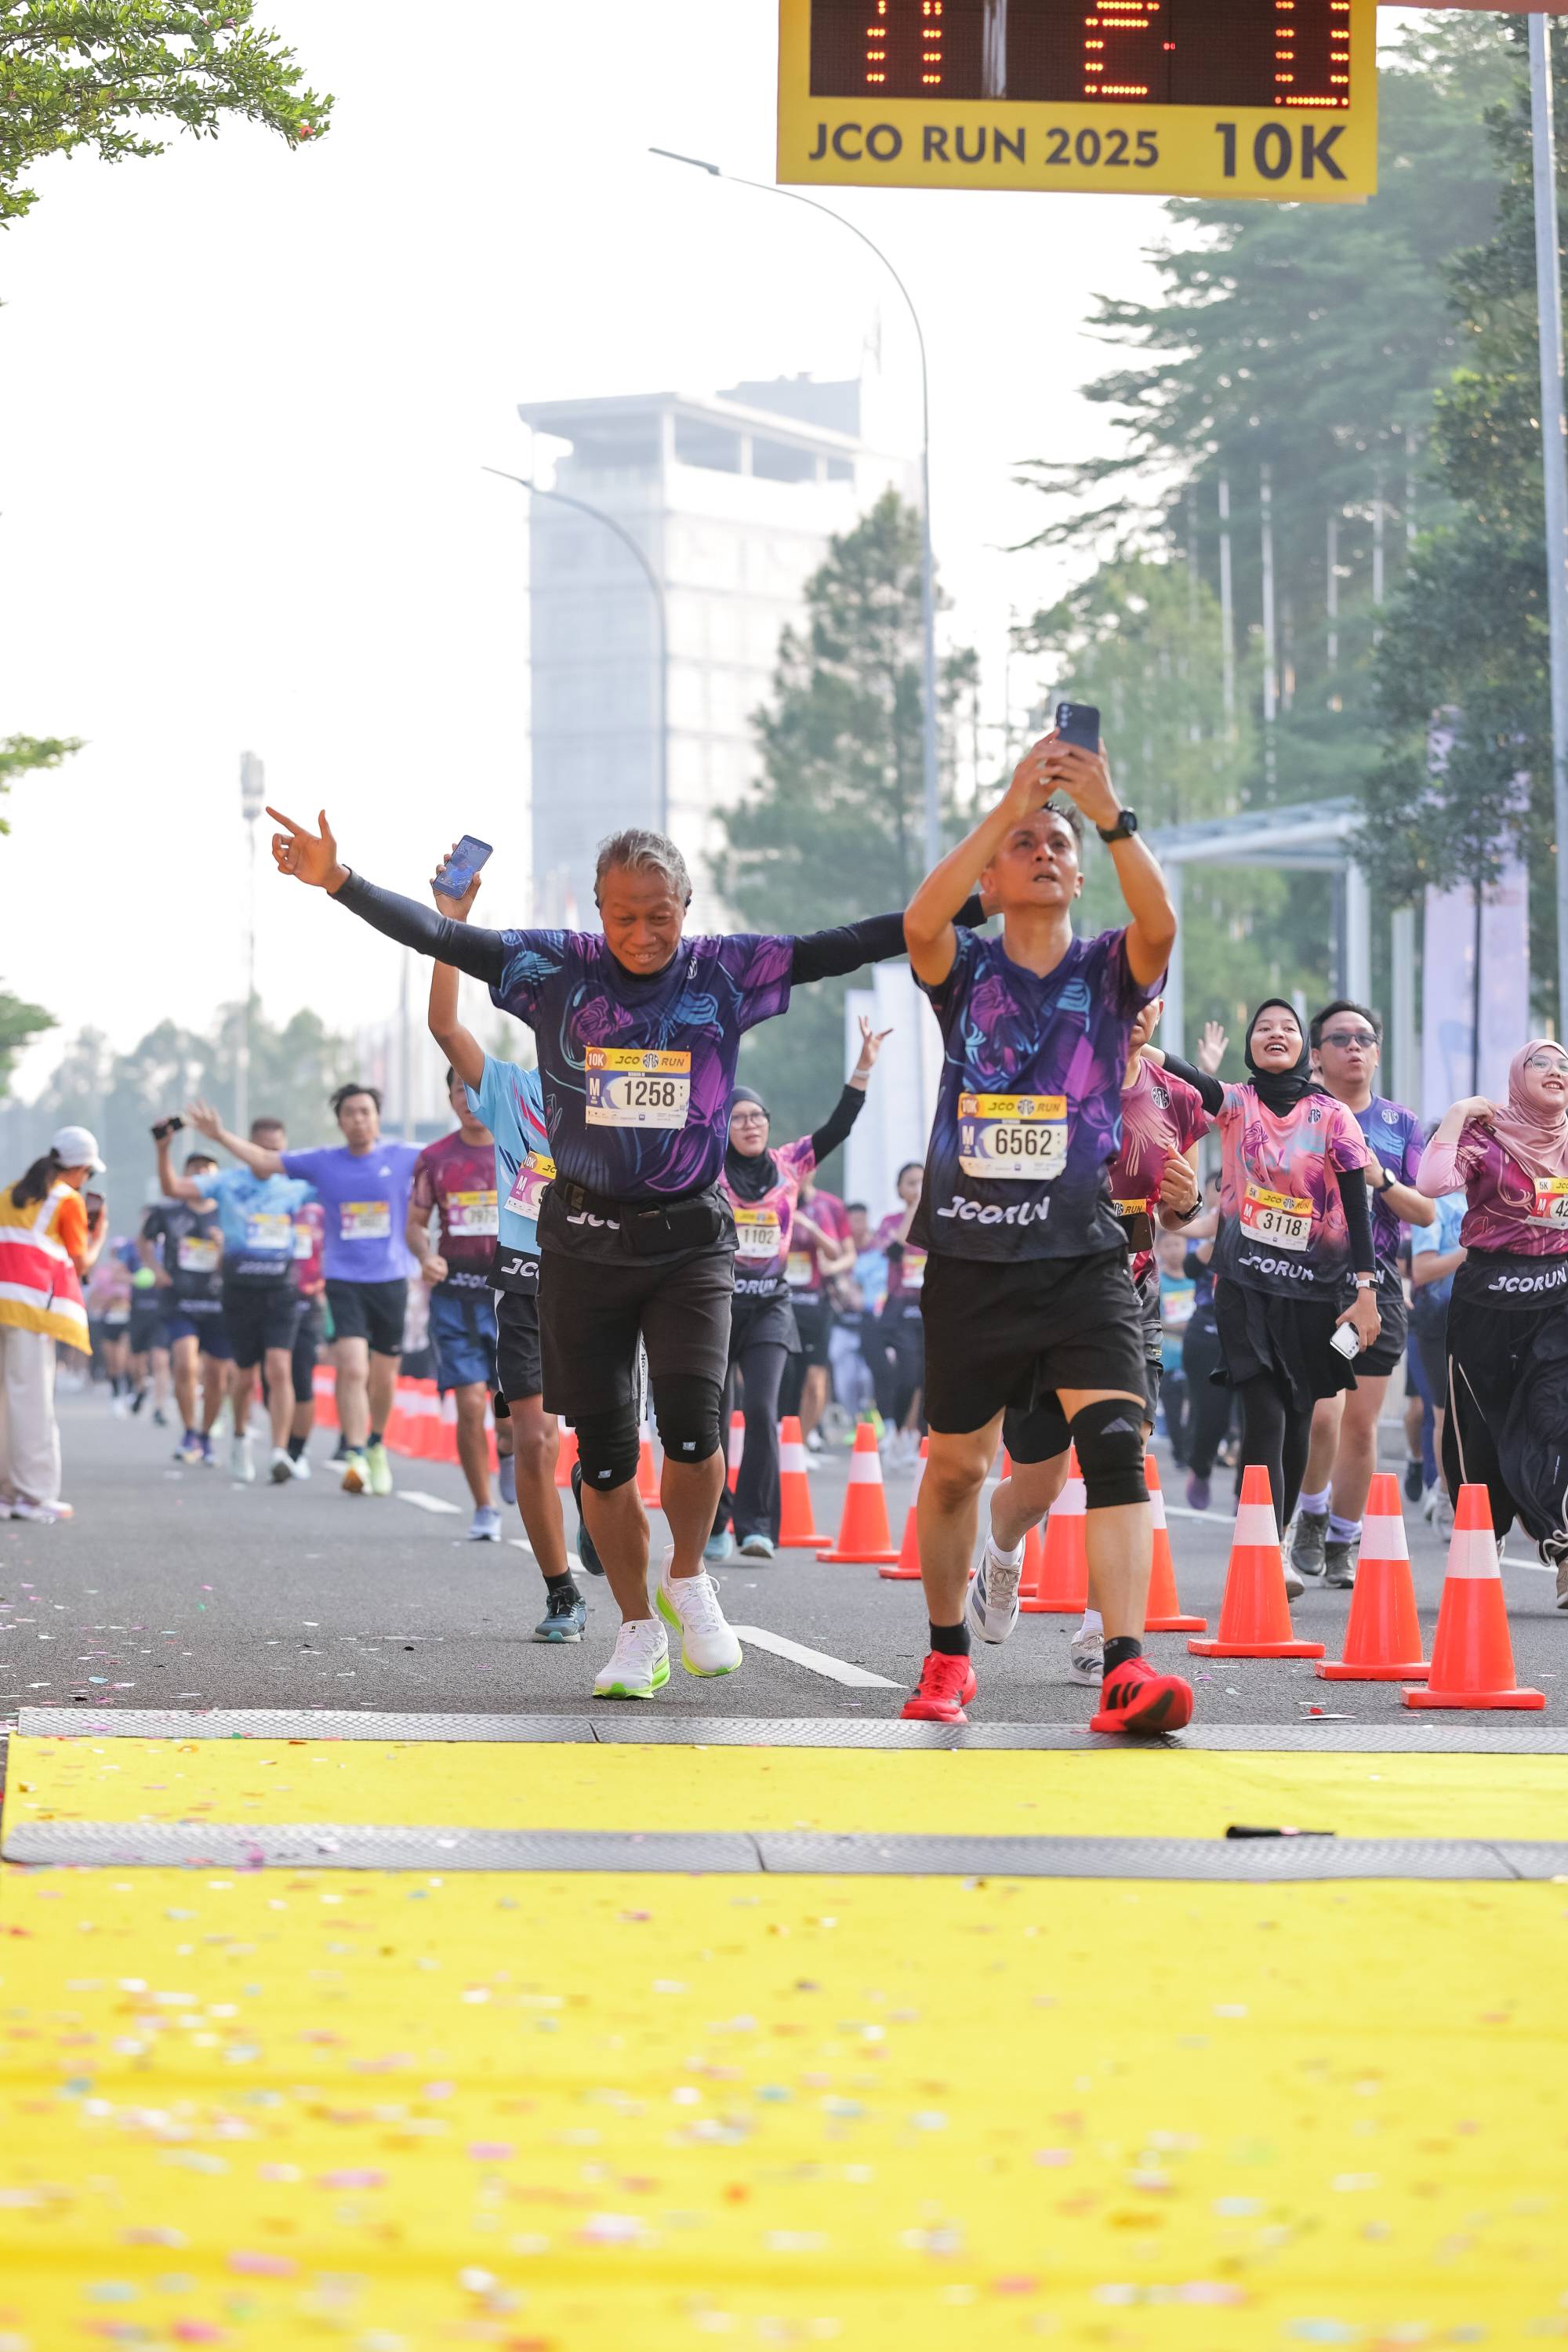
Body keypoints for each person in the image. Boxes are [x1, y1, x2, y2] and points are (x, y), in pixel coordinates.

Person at [265, 804, 982, 1701]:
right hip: (582, 1240)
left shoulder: (723, 971)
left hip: (690, 1237)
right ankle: (637, 1627)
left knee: (692, 1424)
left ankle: (689, 1574)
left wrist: (967, 906)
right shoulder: (555, 968)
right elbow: (442, 936)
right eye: (623, 916)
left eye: (660, 915)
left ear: (686, 906)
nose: (642, 934)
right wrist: (338, 881)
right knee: (602, 1456)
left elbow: (843, 944)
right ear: (599, 910)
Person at [901, 731, 1193, 1735]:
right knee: (957, 1469)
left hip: (1082, 1256)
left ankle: (1124, 1668)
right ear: (990, 878)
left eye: (1055, 846)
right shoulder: (965, 968)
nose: (1040, 854)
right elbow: (920, 919)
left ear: (1076, 875)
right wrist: (1010, 802)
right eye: (1021, 846)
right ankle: (947, 1656)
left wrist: (1104, 813)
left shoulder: (1110, 970)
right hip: (971, 1258)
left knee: (1114, 1449)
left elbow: (1159, 920)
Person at [968, 991, 1208, 1685]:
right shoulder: (1043, 1080)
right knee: (1037, 1485)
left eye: (1145, 1000)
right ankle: (1003, 1554)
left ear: (1159, 1009)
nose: (1132, 1012)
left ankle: (1105, 1633)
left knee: (1122, 1459)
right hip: (1045, 1300)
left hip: (1131, 1302)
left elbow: (1178, 1209)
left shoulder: (1177, 1099)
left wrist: (1187, 1203)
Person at [1153, 1001, 1381, 1581]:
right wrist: (1132, 1035)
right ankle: (1269, 1554)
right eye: (1263, 1028)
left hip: (1315, 1292)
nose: (1276, 1034)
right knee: (1265, 1415)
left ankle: (1275, 1534)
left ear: (1304, 1047)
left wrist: (1366, 1291)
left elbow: (1358, 1210)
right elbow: (1183, 1073)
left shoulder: (1333, 1116)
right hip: (1244, 1286)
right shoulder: (1236, 1103)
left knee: (1300, 1416)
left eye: (1288, 1028)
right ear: (1251, 1046)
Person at [709, 1016, 887, 1559]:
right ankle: (714, 1521)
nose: (750, 1125)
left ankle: (757, 1524)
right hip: (716, 1307)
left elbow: (839, 1126)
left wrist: (862, 1068)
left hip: (769, 1307)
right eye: (738, 1117)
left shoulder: (790, 1165)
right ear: (724, 1128)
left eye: (757, 1116)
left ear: (768, 1123)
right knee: (714, 1417)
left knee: (763, 1411)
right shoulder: (709, 1171)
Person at [190, 1083, 422, 1497]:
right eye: (350, 1113)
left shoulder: (405, 1156)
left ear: (377, 1117)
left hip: (391, 1278)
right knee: (353, 1367)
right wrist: (219, 1135)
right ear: (340, 1121)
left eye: (365, 1112)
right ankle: (354, 1454)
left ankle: (376, 1445)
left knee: (384, 1376)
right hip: (344, 1278)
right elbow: (265, 1160)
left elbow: (461, 1154)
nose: (358, 1120)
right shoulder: (323, 1162)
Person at [1287, 1002, 1435, 1588]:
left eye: (1364, 1038)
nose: (1354, 1047)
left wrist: (1381, 1178)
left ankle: (1343, 1539)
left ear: (1377, 1052)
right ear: (1316, 1055)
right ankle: (1311, 1514)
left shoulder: (1401, 1123)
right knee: (1323, 1414)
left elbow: (1425, 1212)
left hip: (1378, 1289)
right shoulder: (1298, 1114)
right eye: (1339, 1038)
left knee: (1360, 1425)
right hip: (1311, 1281)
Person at [1417, 1040, 1568, 1601]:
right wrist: (1459, 1113)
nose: (1555, 1071)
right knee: (1479, 1432)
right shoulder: (1487, 1135)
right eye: (1540, 1063)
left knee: (1553, 1420)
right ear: (1517, 1077)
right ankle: (1484, 1539)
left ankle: (1562, 1546)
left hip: (1556, 1300)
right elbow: (1431, 1183)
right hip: (1487, 1302)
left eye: (1564, 1065)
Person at [157, 1112, 314, 1486]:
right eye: (262, 1149)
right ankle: (241, 1439)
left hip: (281, 1289)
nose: (269, 1157)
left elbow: (343, 1189)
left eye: (276, 1150)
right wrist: (163, 1150)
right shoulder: (227, 1182)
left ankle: (279, 1452)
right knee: (243, 1376)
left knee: (279, 1368)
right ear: (248, 1147)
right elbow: (173, 1188)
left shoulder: (295, 1186)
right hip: (239, 1290)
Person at [407, 1068, 505, 1543]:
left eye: (477, 1089)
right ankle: (484, 1506)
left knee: (511, 1414)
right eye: (460, 1090)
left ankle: (509, 1449)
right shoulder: (434, 1158)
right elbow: (415, 1224)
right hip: (455, 1298)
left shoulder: (521, 1148)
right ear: (449, 1098)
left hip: (512, 1298)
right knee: (469, 1404)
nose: (469, 1099)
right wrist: (426, 1257)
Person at [0, 1125, 107, 1522]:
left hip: (4, 1305)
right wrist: (100, 1234)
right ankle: (34, 1495)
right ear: (79, 1168)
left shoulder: (10, 1193)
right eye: (88, 1173)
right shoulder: (68, 1201)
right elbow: (81, 1263)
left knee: (4, 1404)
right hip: (30, 1312)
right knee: (32, 1403)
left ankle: (6, 1493)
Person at [142, 1152, 234, 1472]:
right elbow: (144, 1240)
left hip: (219, 1302)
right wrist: (155, 1269)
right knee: (185, 1363)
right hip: (179, 1300)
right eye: (195, 1169)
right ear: (184, 1175)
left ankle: (206, 1436)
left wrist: (223, 1248)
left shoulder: (229, 1212)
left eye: (208, 1170)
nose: (201, 1175)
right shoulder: (168, 1211)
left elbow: (239, 1254)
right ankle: (190, 1432)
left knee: (217, 1376)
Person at [778, 1170, 853, 1446]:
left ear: (814, 1170)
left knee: (814, 1378)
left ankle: (802, 1441)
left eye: (805, 1168)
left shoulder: (830, 1206)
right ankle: (778, 1435)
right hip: (778, 1302)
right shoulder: (772, 1200)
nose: (799, 1174)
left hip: (816, 1303)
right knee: (782, 1374)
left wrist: (830, 1266)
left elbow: (845, 1254)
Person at [1408, 1184, 1465, 1533]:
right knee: (1445, 1415)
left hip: (1484, 1315)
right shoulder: (1433, 1202)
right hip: (1437, 1319)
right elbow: (1422, 1269)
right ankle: (1445, 1497)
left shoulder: (1490, 1192)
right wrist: (1470, 1250)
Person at [869, 1163, 927, 1463]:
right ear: (900, 1189)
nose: (918, 1188)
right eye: (911, 1183)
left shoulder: (939, 1219)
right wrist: (914, 1208)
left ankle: (918, 1438)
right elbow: (894, 1250)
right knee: (907, 1374)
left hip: (931, 1305)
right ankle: (897, 1428)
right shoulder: (891, 1222)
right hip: (901, 1307)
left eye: (923, 1182)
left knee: (928, 1377)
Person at [286, 1193, 326, 1474]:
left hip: (308, 1303)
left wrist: (321, 1282)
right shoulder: (273, 1205)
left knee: (302, 1379)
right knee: (273, 1379)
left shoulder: (319, 1213)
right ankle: (285, 1440)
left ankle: (297, 1450)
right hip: (273, 1299)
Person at [125, 1205, 172, 1424]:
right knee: (137, 1363)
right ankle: (141, 1388)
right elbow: (116, 1274)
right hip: (138, 1312)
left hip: (162, 1311)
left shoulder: (171, 1246)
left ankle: (159, 1408)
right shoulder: (131, 1248)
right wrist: (136, 1279)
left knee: (161, 1360)